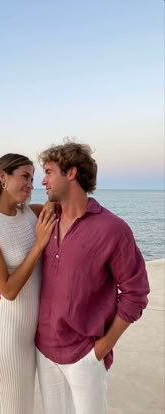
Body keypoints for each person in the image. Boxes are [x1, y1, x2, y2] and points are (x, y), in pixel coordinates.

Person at [33, 140, 150, 414]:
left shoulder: (113, 229)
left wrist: (103, 347)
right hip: (44, 350)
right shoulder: (46, 220)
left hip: (84, 355)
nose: (43, 180)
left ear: (70, 173)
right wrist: (0, 283)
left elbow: (136, 293)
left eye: (49, 172)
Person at [0, 153, 56, 414]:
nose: (31, 184)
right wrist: (39, 243)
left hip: (33, 334)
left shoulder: (32, 213)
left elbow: (60, 203)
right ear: (3, 177)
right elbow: (7, 290)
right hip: (10, 337)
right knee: (15, 408)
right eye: (25, 177)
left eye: (33, 177)